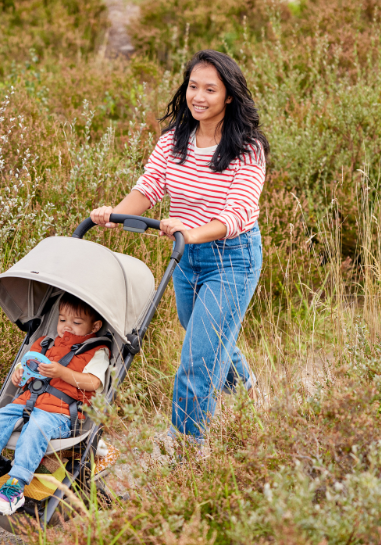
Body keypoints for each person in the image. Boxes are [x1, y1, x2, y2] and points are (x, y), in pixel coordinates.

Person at [91, 50, 267, 442]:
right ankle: (244, 387)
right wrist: (114, 215)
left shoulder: (247, 149)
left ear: (229, 97)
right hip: (186, 257)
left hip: (231, 260)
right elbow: (149, 187)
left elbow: (237, 214)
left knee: (197, 360)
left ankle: (185, 446)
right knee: (202, 331)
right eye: (193, 86)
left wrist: (189, 230)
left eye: (210, 89)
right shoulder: (174, 140)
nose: (198, 96)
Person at [0, 293, 110, 515]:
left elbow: (94, 382)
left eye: (76, 322)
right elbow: (25, 368)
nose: (67, 327)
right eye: (62, 320)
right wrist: (19, 374)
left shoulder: (96, 351)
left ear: (95, 326)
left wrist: (61, 372)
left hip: (60, 413)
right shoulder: (44, 343)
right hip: (27, 402)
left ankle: (16, 486)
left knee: (36, 427)